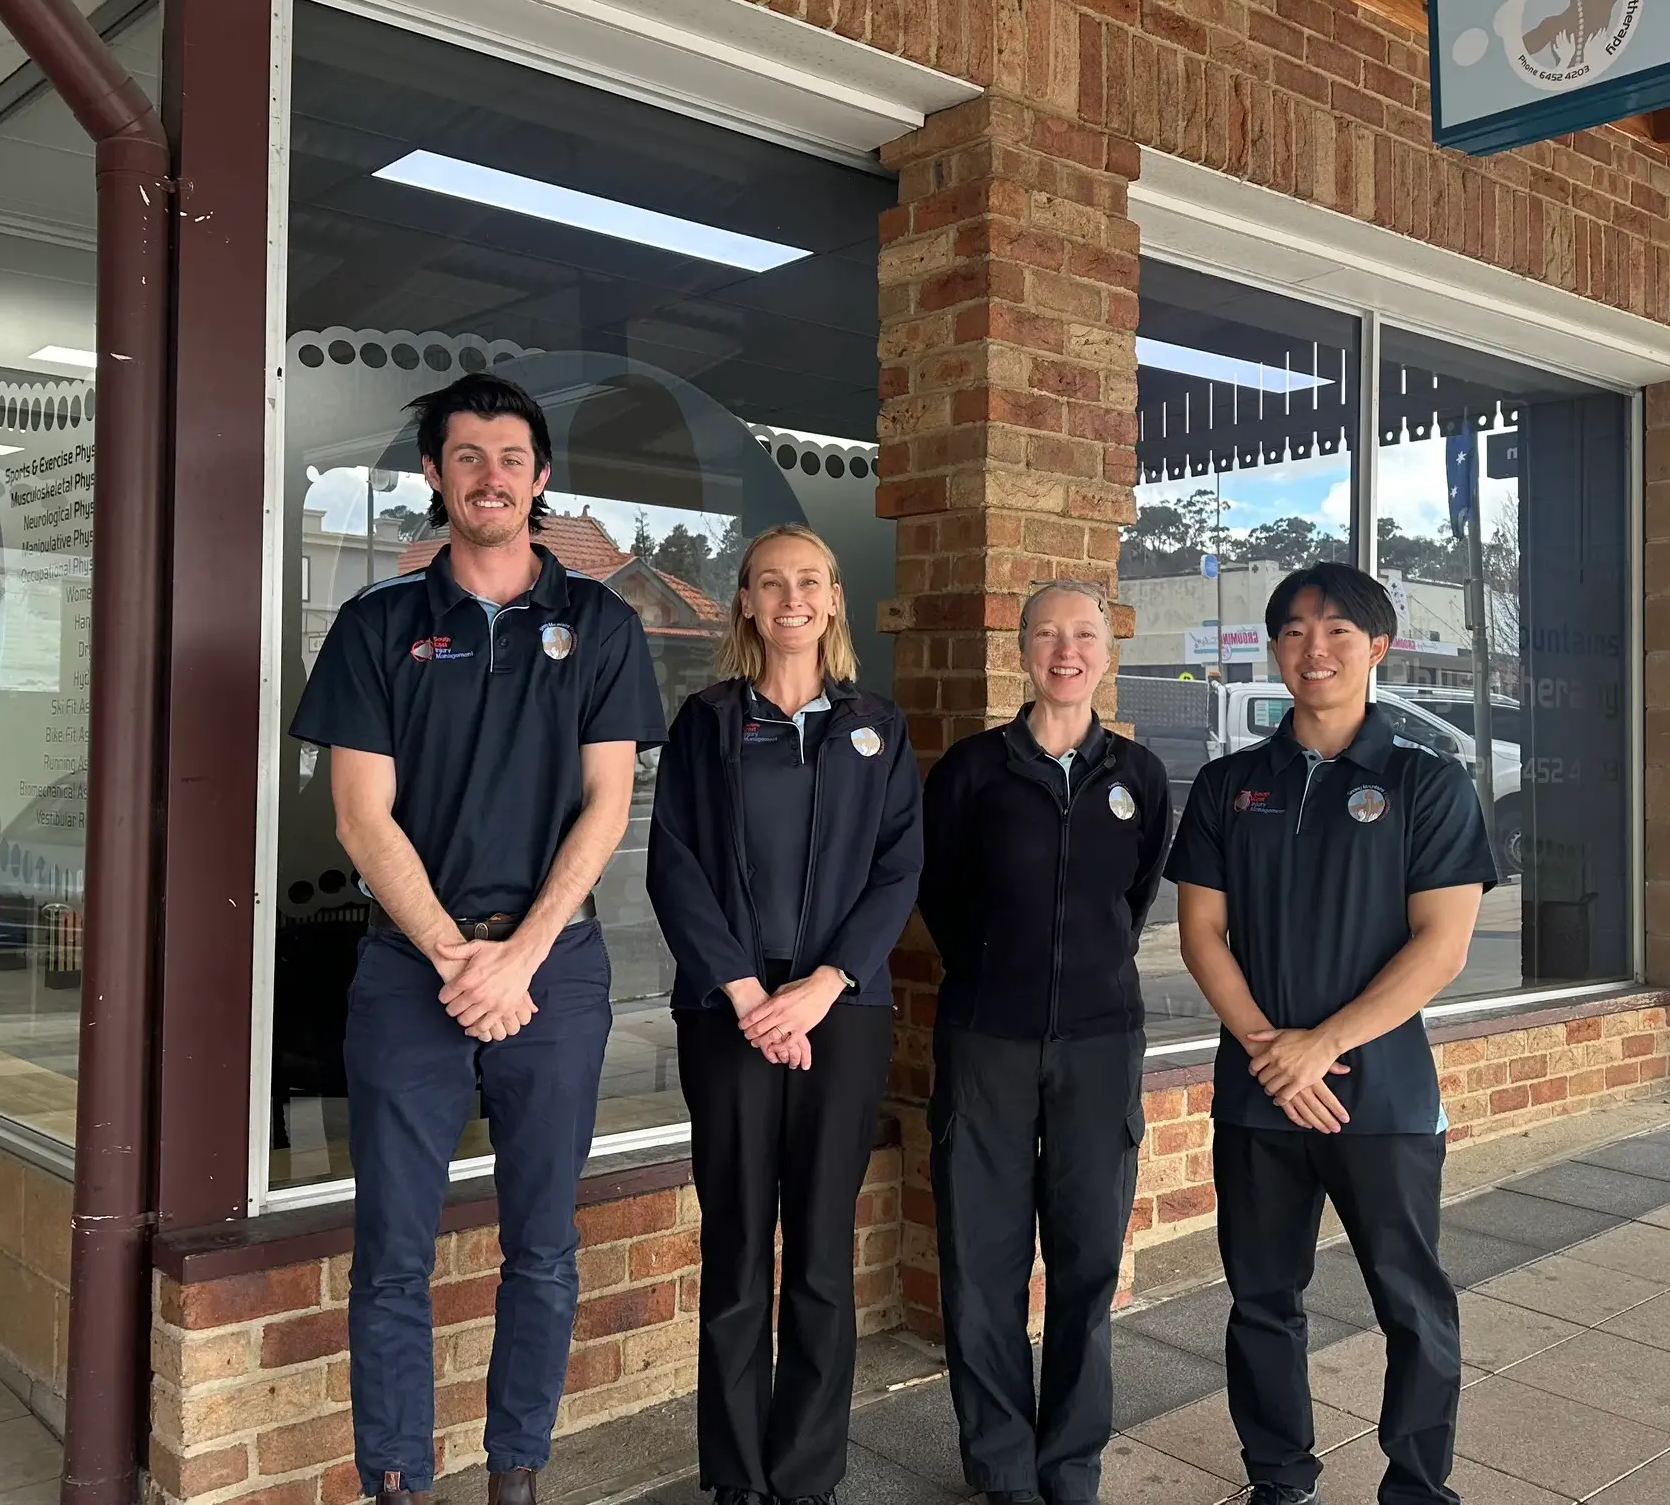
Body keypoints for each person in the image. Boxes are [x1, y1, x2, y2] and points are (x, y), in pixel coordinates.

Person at [290, 373, 666, 1505]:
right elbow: (361, 815)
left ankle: (517, 1474)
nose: (490, 474)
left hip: (558, 967)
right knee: (393, 1252)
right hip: (414, 971)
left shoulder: (601, 624)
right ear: (434, 478)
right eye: (466, 456)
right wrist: (463, 956)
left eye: (511, 455)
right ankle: (398, 1478)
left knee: (542, 1244)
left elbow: (607, 805)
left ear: (541, 477)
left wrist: (522, 953)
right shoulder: (376, 625)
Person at [1165, 563, 1494, 1505]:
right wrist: (1276, 1051)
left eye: (1341, 630)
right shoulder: (1230, 786)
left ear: (1378, 647)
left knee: (1411, 1303)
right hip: (1260, 1100)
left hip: (1382, 1095)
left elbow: (1443, 947)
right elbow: (1200, 934)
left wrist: (1321, 1045)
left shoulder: (1427, 784)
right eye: (1297, 630)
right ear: (1275, 648)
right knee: (1264, 1301)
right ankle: (1278, 1474)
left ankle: (1419, 1487)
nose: (1318, 648)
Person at [646, 523, 924, 1505]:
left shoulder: (877, 727)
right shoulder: (705, 722)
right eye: (771, 581)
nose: (791, 595)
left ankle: (805, 1476)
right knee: (733, 1251)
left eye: (810, 579)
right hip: (727, 1009)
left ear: (835, 597)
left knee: (816, 1250)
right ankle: (735, 1478)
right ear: (747, 604)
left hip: (839, 1012)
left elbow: (898, 870)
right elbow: (673, 864)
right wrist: (747, 991)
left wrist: (823, 983)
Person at [919, 580, 1174, 1505]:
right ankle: (1000, 1468)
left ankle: (1069, 1467)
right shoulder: (972, 771)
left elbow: (1133, 900)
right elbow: (939, 897)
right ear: (1020, 649)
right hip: (987, 1038)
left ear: (1108, 651)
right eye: (1046, 635)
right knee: (982, 1261)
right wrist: (999, 969)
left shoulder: (1138, 778)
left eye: (1084, 635)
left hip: (1103, 1044)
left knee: (1087, 1261)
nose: (1065, 651)